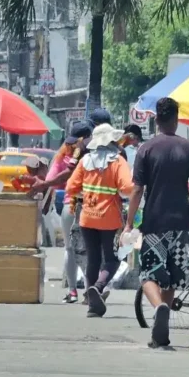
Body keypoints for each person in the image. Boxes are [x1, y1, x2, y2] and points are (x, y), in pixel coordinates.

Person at [124, 98, 189, 349]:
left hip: (154, 223)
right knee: (172, 277)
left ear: (156, 120)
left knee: (148, 273)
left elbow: (137, 190)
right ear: (176, 119)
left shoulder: (146, 149)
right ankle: (163, 327)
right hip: (181, 223)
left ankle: (159, 307)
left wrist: (129, 224)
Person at [66, 124, 134, 317]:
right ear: (111, 141)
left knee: (93, 259)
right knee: (113, 259)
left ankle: (92, 304)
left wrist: (87, 194)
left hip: (87, 217)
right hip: (109, 219)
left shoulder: (85, 160)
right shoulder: (118, 161)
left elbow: (71, 187)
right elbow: (128, 188)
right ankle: (98, 287)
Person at [32, 121, 93, 303]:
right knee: (90, 250)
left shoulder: (63, 157)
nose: (74, 144)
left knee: (70, 248)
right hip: (91, 207)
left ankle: (73, 291)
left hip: (70, 206)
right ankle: (91, 290)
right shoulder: (95, 156)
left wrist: (49, 184)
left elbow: (51, 180)